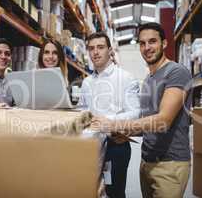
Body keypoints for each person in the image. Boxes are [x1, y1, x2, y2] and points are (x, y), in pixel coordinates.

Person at [90, 22, 192, 198]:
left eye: (152, 41)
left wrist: (115, 123)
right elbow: (148, 124)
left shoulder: (176, 72)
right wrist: (122, 132)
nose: (147, 47)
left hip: (170, 164)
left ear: (164, 43)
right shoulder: (148, 79)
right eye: (142, 43)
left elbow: (163, 121)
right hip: (146, 162)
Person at [79, 32, 140, 198]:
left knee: (114, 192)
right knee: (92, 191)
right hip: (91, 145)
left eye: (100, 47)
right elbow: (83, 110)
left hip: (116, 145)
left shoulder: (126, 78)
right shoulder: (86, 82)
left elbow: (135, 113)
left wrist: (109, 121)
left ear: (110, 51)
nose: (95, 52)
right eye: (91, 48)